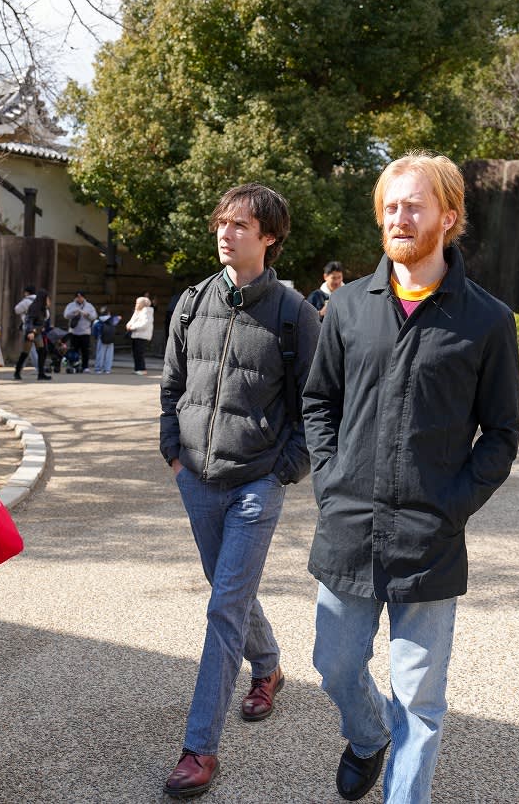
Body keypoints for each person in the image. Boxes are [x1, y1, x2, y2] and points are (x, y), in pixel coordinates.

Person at [303, 152, 519, 804]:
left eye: (414, 205)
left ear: (448, 217)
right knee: (334, 665)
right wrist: (331, 480)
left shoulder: (487, 320)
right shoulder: (347, 307)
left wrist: (453, 503)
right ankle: (366, 734)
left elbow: (501, 435)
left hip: (430, 539)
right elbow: (319, 401)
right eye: (390, 206)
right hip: (348, 528)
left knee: (420, 702)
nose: (398, 217)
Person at [159, 183, 320, 799]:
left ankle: (200, 747)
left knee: (224, 606)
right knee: (227, 587)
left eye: (241, 226)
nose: (226, 234)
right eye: (222, 223)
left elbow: (315, 406)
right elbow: (172, 384)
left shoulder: (294, 313)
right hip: (197, 478)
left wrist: (284, 471)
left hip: (257, 482)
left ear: (269, 238)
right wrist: (173, 453)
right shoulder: (192, 302)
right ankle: (269, 665)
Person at [16, 289, 53, 381]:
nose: (49, 301)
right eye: (47, 299)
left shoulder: (43, 309)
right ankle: (17, 372)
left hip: (37, 332)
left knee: (42, 351)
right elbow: (29, 320)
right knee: (25, 353)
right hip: (31, 333)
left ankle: (41, 373)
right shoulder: (34, 308)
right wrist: (30, 332)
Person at [63, 291, 97, 373]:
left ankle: (85, 367)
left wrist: (87, 315)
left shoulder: (89, 306)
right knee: (74, 350)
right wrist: (73, 313)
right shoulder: (71, 305)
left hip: (85, 332)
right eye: (77, 297)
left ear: (84, 297)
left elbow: (94, 316)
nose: (79, 298)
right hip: (74, 332)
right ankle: (74, 365)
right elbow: (65, 315)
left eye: (81, 297)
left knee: (85, 350)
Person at [126, 295, 155, 374]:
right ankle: (137, 369)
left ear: (143, 304)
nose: (136, 304)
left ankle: (142, 369)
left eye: (138, 303)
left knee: (139, 353)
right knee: (135, 353)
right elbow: (132, 320)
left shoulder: (147, 311)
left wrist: (133, 327)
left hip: (142, 335)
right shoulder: (138, 311)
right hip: (136, 335)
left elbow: (145, 324)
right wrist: (128, 325)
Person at [92, 306, 122, 374]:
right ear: (108, 313)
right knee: (109, 355)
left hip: (101, 338)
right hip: (110, 338)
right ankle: (107, 369)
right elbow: (119, 318)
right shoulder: (113, 319)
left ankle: (98, 369)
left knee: (100, 354)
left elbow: (94, 332)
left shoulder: (97, 321)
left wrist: (96, 337)